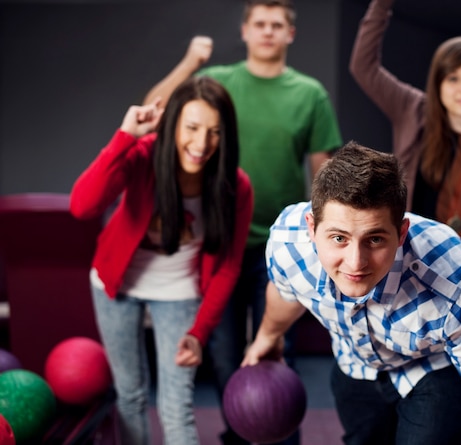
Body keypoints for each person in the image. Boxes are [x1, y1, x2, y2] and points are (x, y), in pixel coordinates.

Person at [144, 1, 342, 443]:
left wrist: (323, 241)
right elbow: (154, 108)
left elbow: (325, 173)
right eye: (260, 24)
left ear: (290, 33)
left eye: (277, 25)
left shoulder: (309, 94)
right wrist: (192, 61)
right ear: (246, 30)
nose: (268, 32)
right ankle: (240, 432)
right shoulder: (218, 81)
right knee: (225, 354)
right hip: (222, 239)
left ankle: (281, 436)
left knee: (275, 351)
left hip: (284, 248)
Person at [242, 141, 461, 445]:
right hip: (356, 366)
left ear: (402, 232)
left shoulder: (455, 283)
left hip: (433, 370)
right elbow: (285, 293)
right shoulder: (288, 245)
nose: (356, 262)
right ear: (311, 229)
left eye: (375, 239)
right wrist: (268, 336)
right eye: (339, 238)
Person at [70, 76, 253, 445]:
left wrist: (199, 332)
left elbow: (228, 266)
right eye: (192, 128)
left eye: (214, 132)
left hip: (179, 292)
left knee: (176, 405)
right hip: (115, 286)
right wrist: (124, 136)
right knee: (131, 394)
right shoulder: (143, 156)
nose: (202, 144)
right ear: (174, 125)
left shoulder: (235, 185)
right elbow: (82, 206)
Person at [349, 0, 461, 327]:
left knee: (460, 372)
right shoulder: (414, 110)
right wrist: (382, 5)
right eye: (453, 78)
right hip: (410, 271)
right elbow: (363, 66)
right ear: (438, 83)